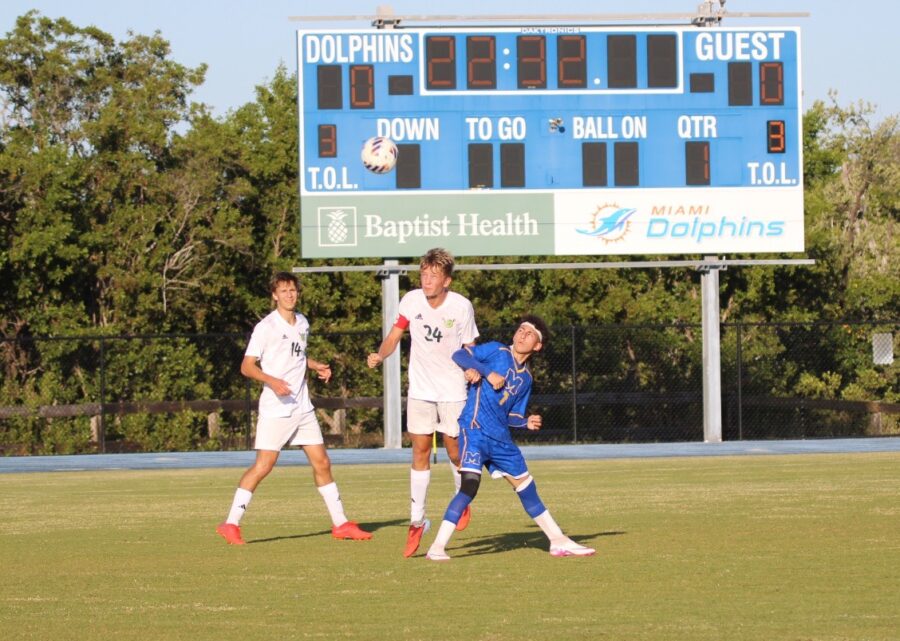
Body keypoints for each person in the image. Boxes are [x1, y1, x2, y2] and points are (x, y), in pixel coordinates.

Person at [216, 272, 372, 545]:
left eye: (293, 290)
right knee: (264, 466)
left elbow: (296, 356)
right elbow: (247, 366)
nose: (290, 295)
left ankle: (341, 523)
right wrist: (272, 381)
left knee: (322, 462)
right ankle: (230, 524)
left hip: (302, 407)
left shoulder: (302, 322)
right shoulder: (266, 328)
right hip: (276, 409)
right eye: (284, 291)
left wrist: (316, 365)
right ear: (274, 295)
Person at [425, 315, 595, 561]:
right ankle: (437, 547)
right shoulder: (496, 350)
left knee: (527, 486)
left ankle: (558, 540)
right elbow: (459, 355)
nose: (523, 333)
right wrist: (485, 372)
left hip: (500, 439)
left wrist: (525, 422)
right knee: (470, 486)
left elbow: (512, 415)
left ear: (537, 346)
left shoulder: (526, 379)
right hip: (474, 429)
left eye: (530, 333)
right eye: (521, 329)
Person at [367, 248, 479, 557]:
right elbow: (394, 336)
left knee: (455, 451)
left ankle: (461, 499)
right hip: (420, 390)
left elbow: (470, 346)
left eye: (433, 276)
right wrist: (380, 354)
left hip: (453, 389)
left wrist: (472, 367)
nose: (427, 280)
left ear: (447, 281)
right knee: (420, 450)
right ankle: (417, 521)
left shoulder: (461, 306)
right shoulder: (411, 301)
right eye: (424, 275)